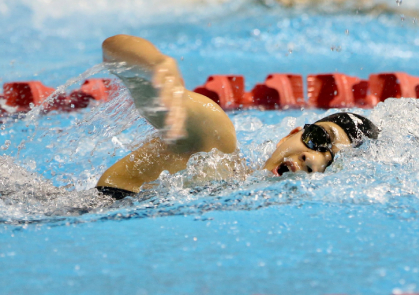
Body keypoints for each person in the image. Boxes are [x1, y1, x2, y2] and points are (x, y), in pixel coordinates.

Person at [96, 35, 379, 199]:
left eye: (329, 164)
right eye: (317, 139)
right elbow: (114, 47)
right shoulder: (214, 147)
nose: (312, 159)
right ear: (290, 134)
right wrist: (157, 66)